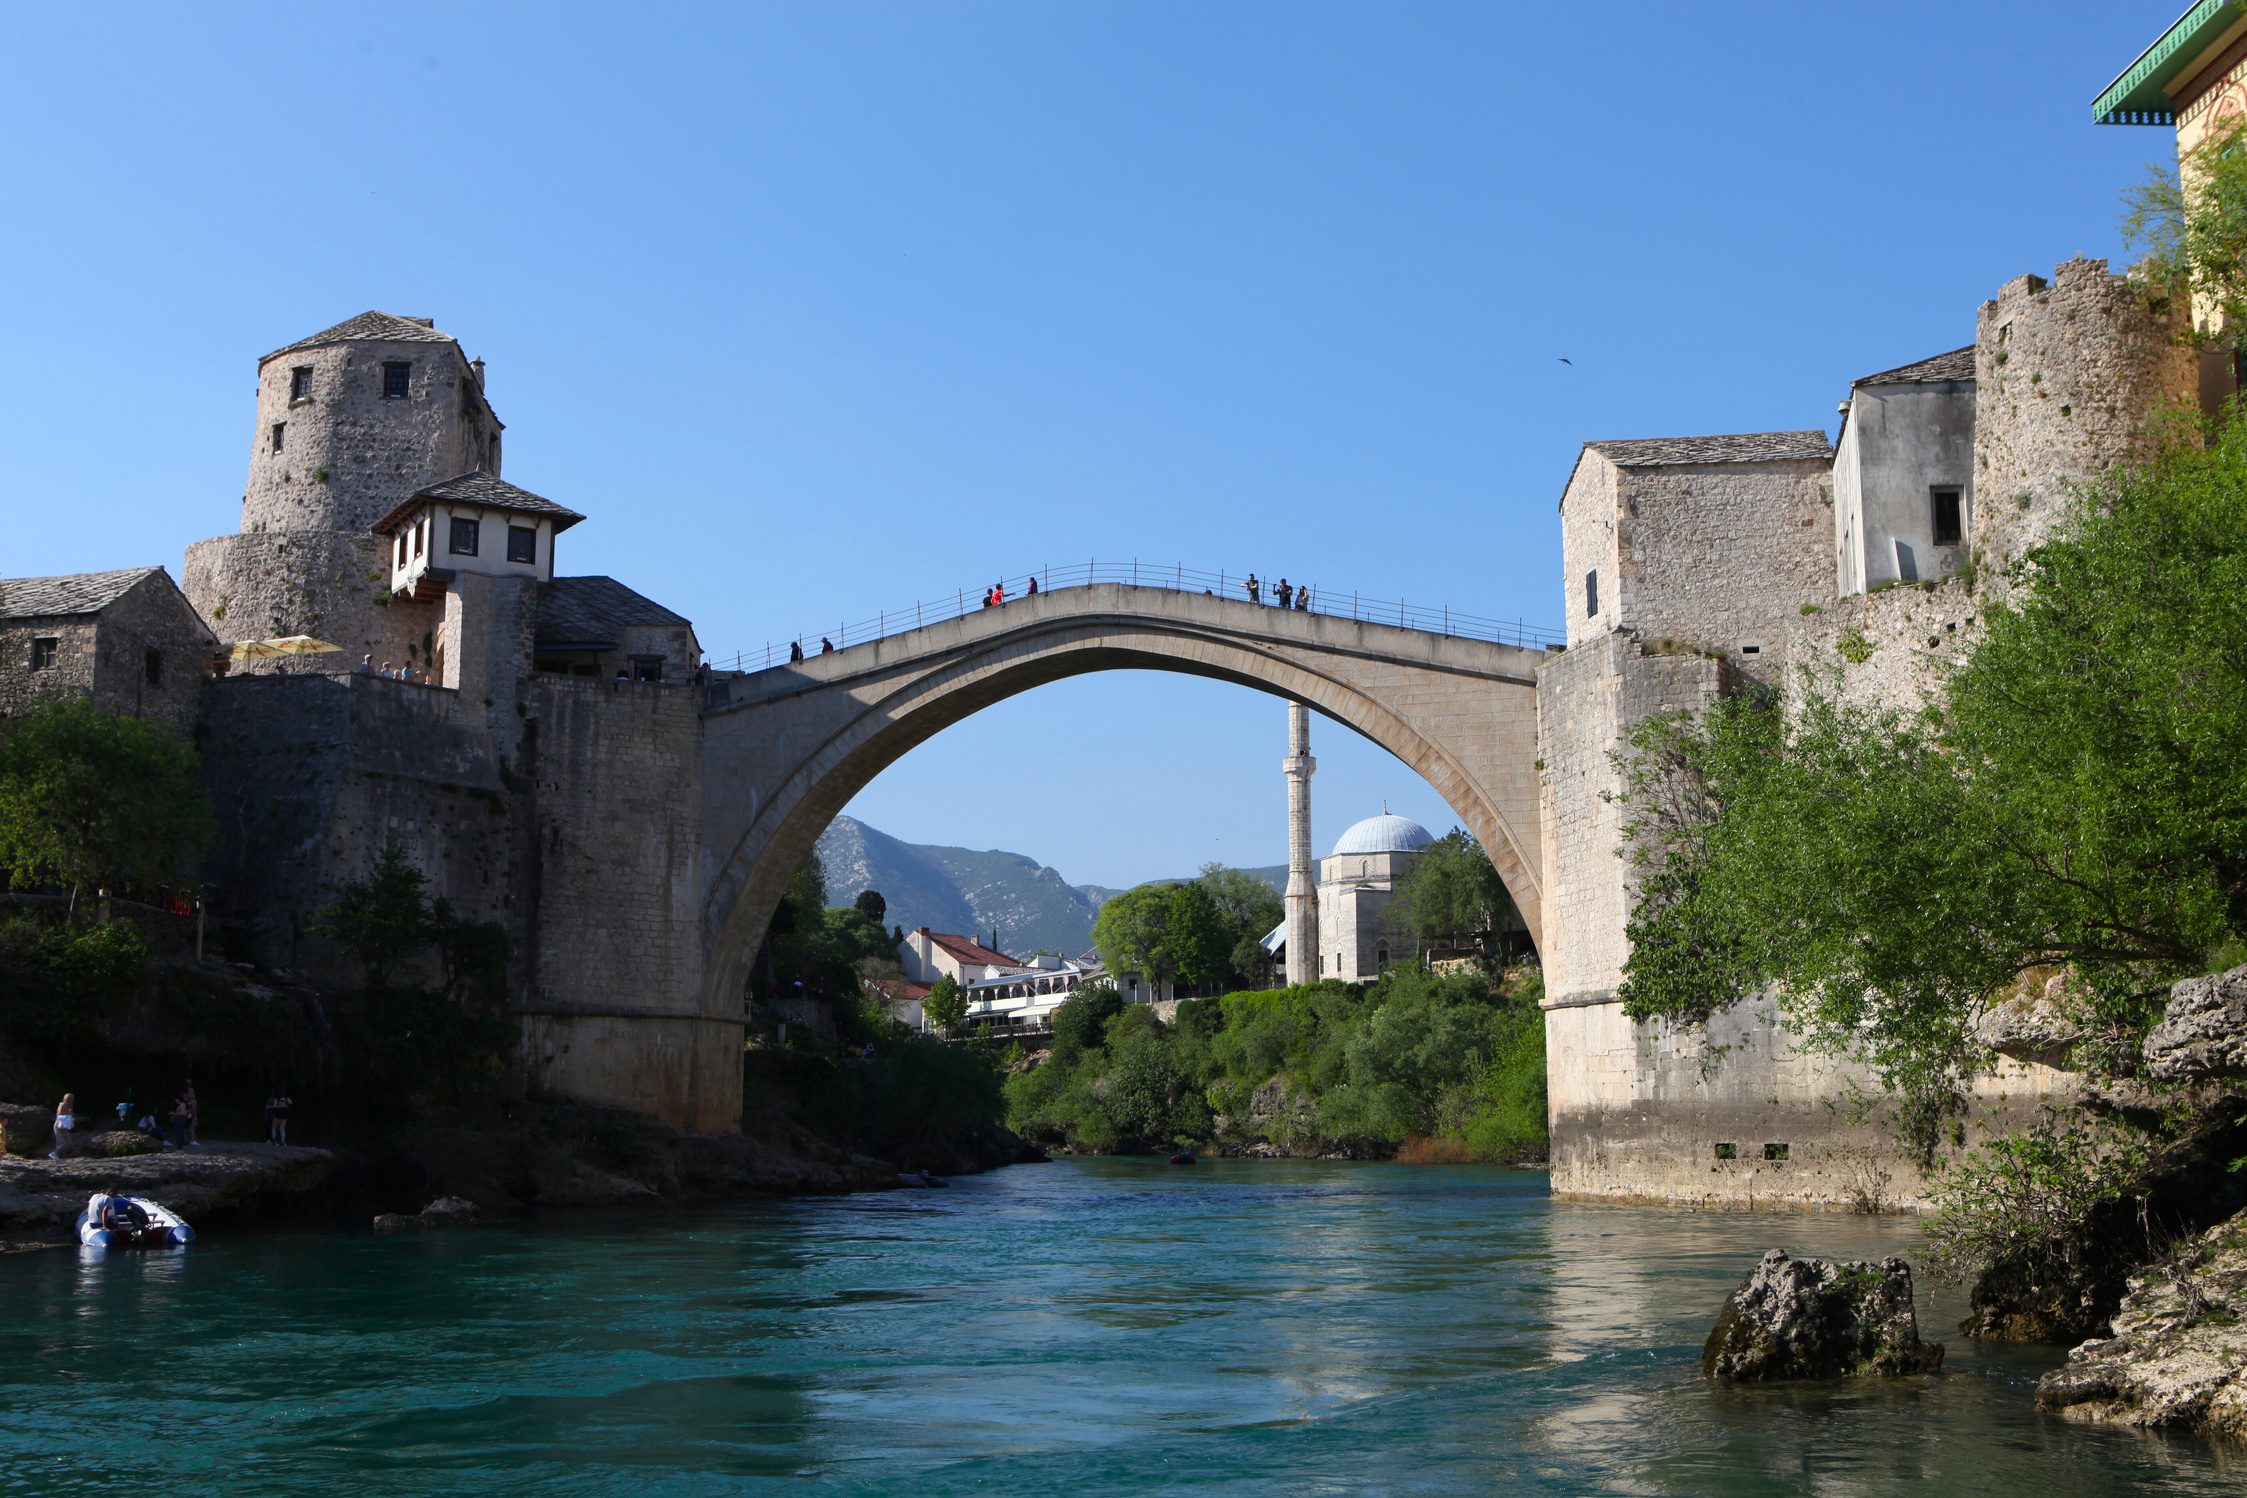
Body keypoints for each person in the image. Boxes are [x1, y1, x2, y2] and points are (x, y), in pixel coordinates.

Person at [50, 1093, 74, 1160]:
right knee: (63, 1142)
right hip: (59, 1124)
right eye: (70, 1099)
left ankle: (60, 1155)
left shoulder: (70, 1106)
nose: (71, 1101)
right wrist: (68, 1113)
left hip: (64, 1125)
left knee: (69, 1142)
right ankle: (55, 1153)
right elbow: (60, 1113)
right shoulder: (63, 1104)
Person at [182, 1078, 198, 1147]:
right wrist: (191, 1103)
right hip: (187, 1110)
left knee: (190, 1123)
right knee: (189, 1123)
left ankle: (191, 1139)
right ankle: (192, 1140)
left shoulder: (191, 1090)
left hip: (192, 1109)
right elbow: (185, 1103)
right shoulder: (184, 1093)